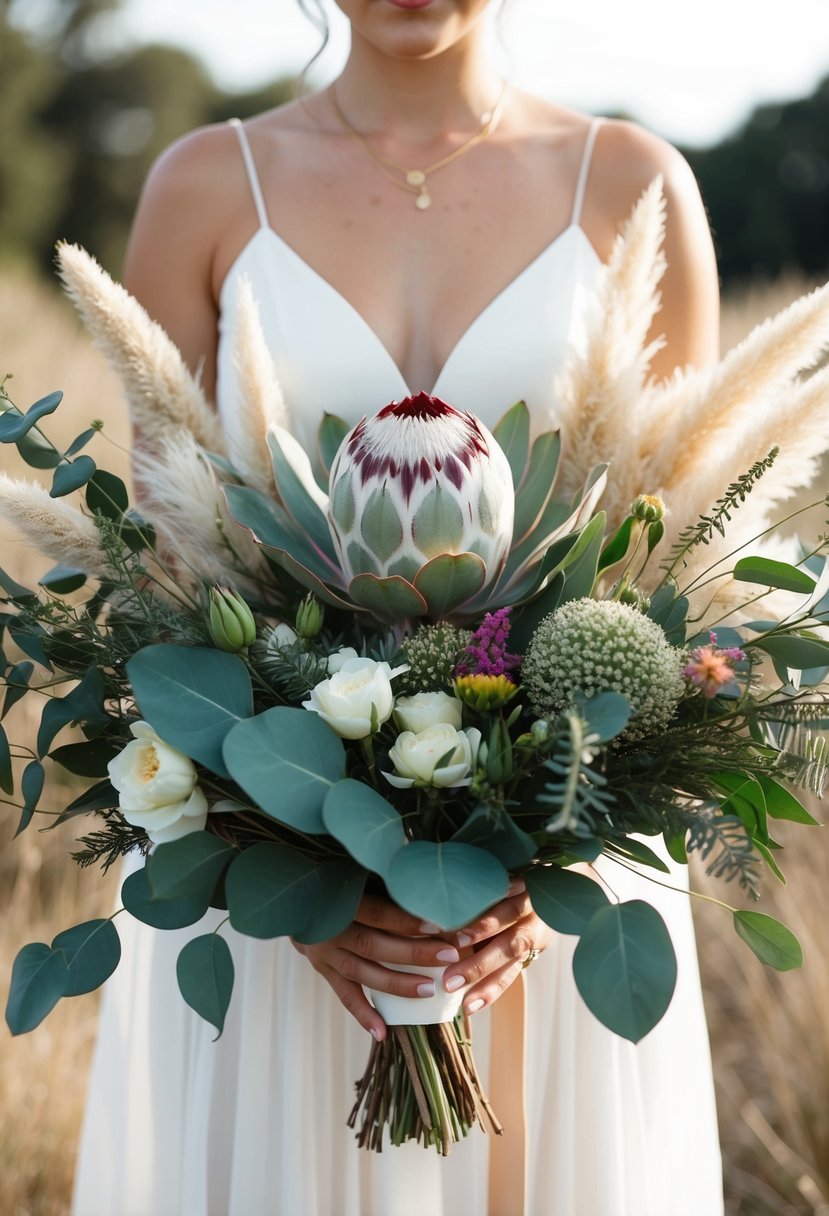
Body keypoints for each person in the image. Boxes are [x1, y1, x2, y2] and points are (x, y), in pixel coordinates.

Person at [72, 2, 724, 1213]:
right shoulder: (208, 185)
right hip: (279, 913)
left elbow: (674, 573)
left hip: (547, 914)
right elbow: (162, 581)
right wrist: (292, 884)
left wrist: (563, 850)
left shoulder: (632, 184)